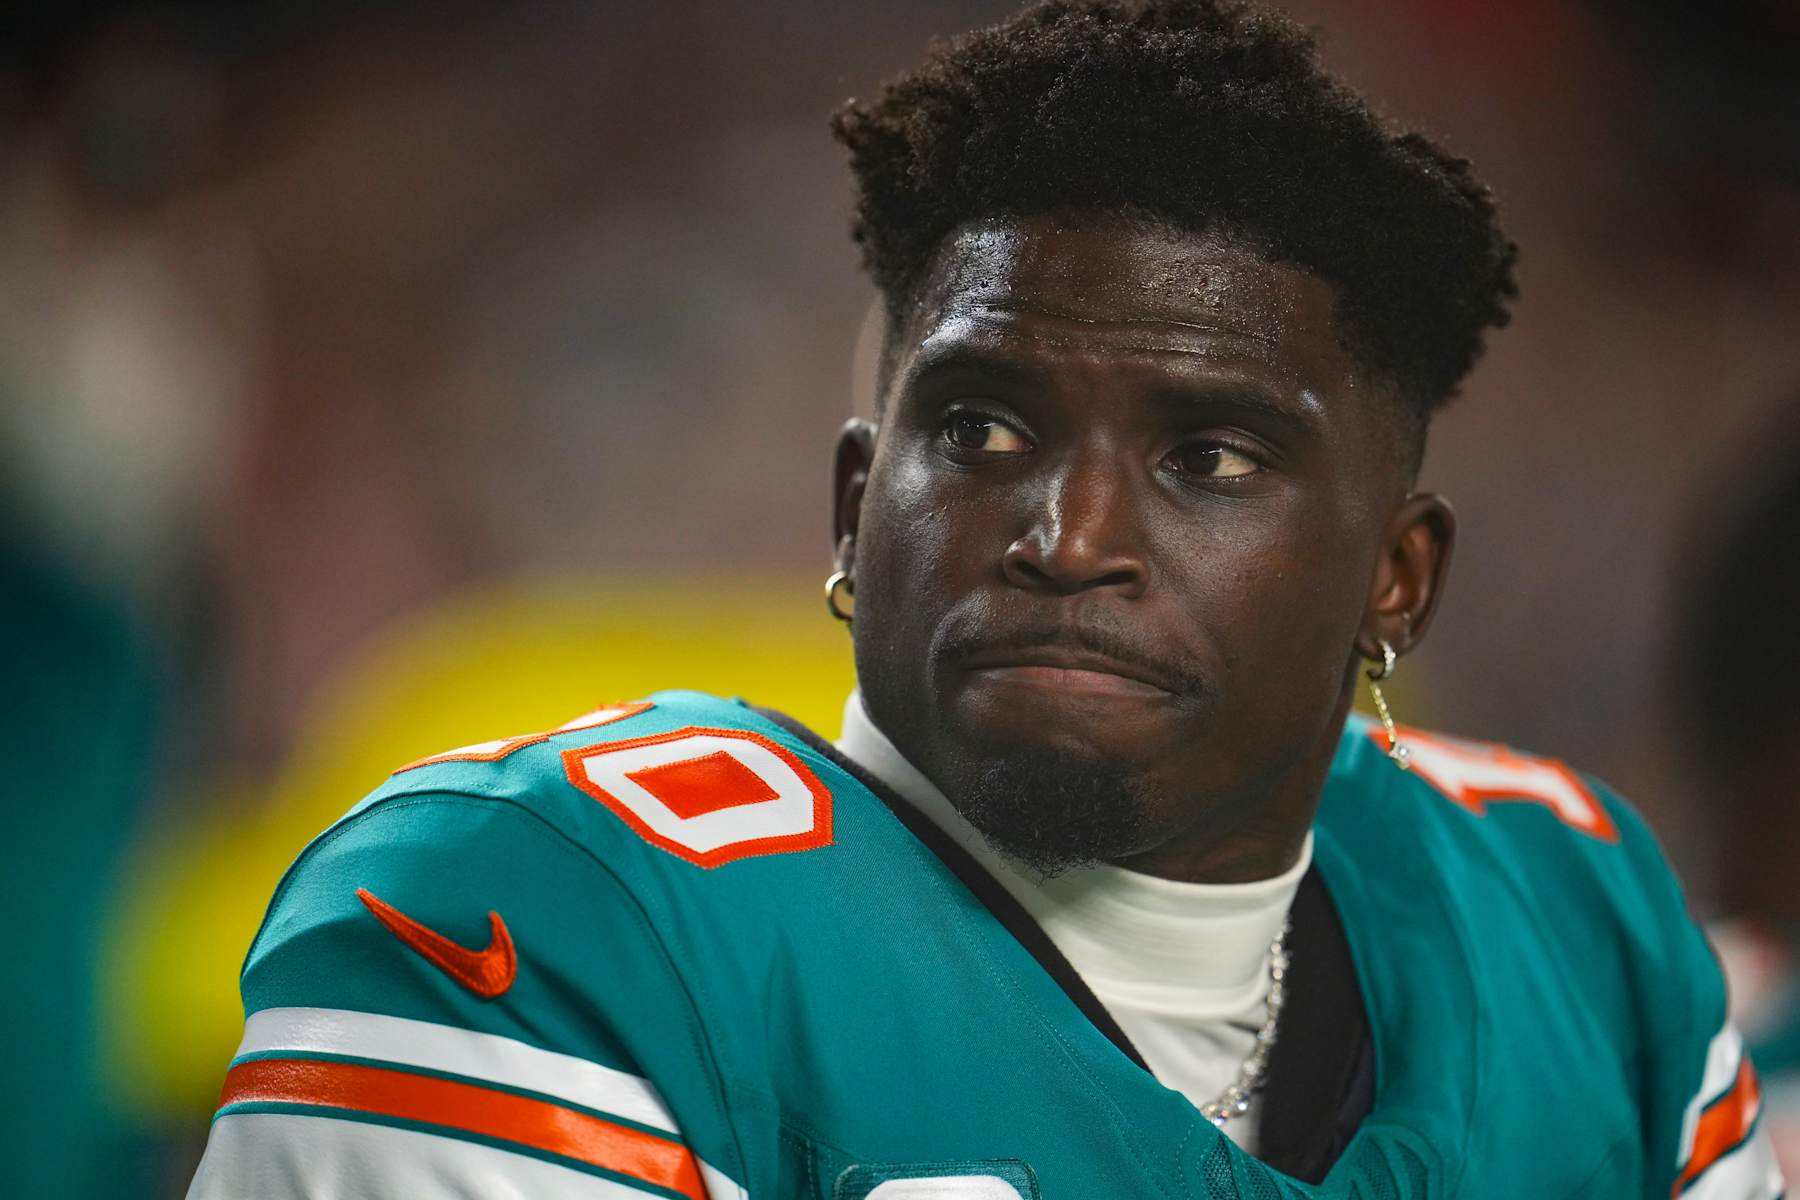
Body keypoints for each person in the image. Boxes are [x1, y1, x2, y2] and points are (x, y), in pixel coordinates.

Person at [185, 2, 1783, 1196]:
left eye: (1212, 459)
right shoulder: (551, 920)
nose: (1068, 536)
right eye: (983, 432)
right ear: (853, 504)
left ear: (1395, 577)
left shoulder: (1571, 929)